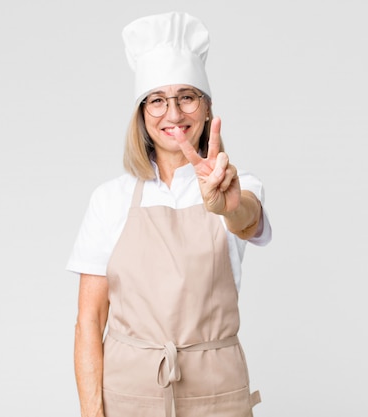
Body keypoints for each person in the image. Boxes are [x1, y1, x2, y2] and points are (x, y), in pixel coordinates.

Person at [66, 11, 272, 417]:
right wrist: (92, 412)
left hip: (217, 392)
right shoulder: (110, 199)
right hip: (128, 394)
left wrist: (228, 206)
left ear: (207, 109)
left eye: (187, 97)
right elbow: (89, 320)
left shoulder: (237, 185)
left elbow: (247, 219)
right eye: (157, 100)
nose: (173, 114)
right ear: (142, 114)